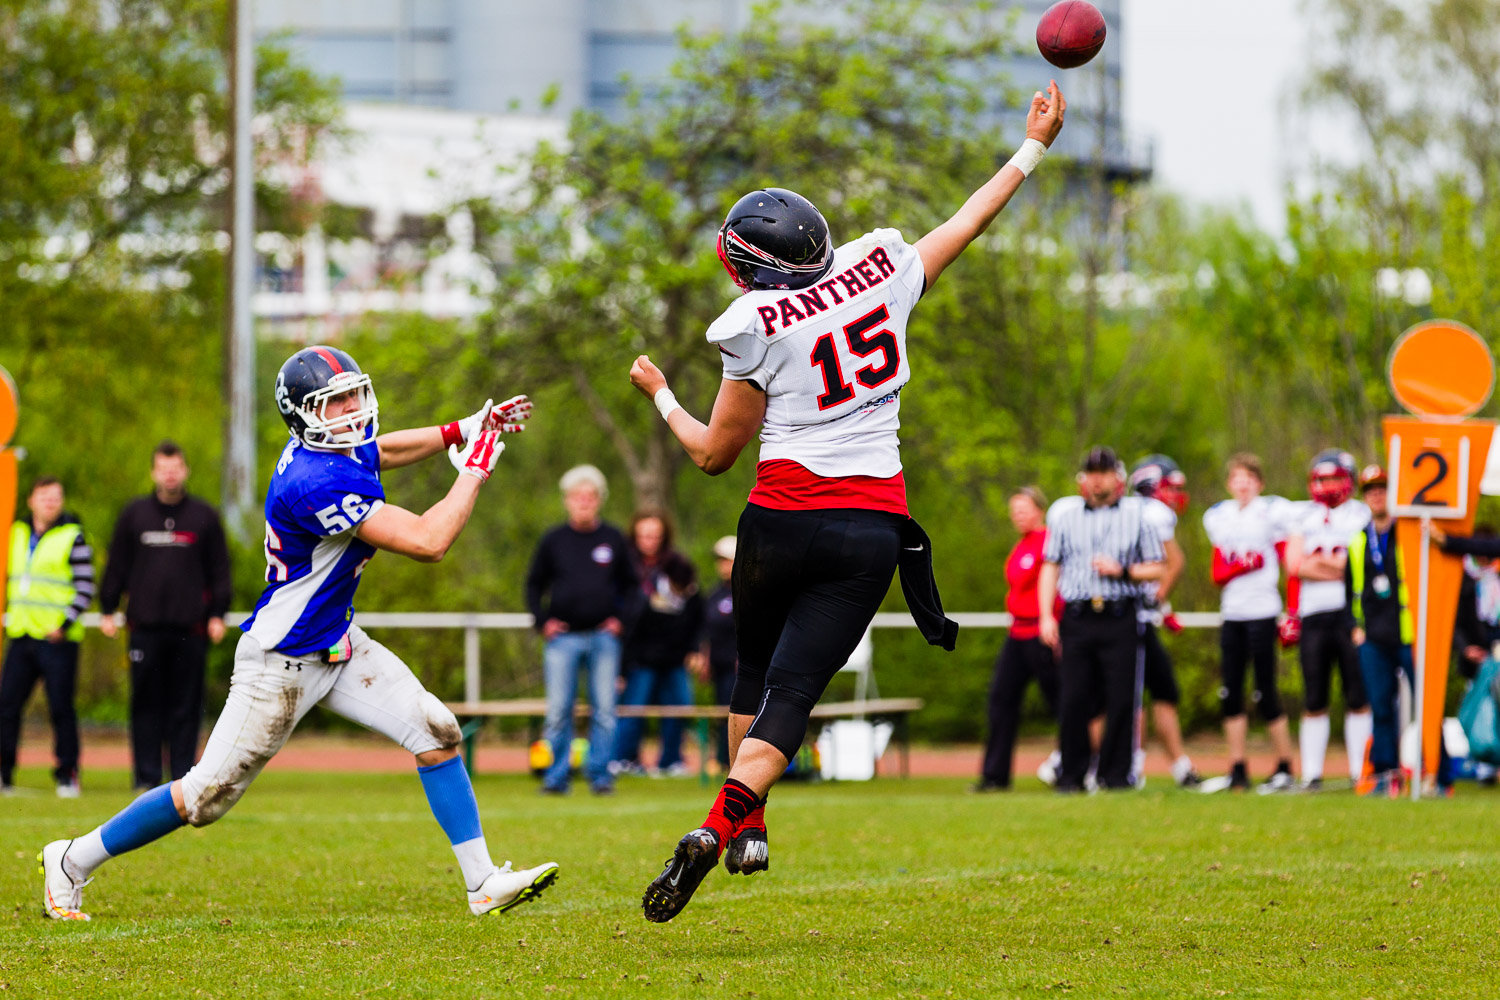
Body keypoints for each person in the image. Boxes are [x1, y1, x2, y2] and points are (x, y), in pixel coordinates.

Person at [626, 80, 1066, 922]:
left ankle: (753, 829)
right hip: (868, 528)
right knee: (793, 696)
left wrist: (659, 395)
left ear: (745, 264)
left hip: (778, 520)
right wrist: (1031, 147)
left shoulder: (754, 324)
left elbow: (715, 454)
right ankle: (726, 824)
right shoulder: (880, 270)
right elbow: (968, 221)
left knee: (752, 673)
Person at [38, 347, 557, 921]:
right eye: (335, 402)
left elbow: (381, 449)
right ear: (304, 415)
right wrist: (474, 470)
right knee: (203, 797)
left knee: (437, 732)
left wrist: (462, 427)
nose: (352, 410)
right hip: (281, 660)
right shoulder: (314, 481)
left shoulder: (331, 445)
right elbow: (428, 541)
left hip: (336, 639)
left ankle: (481, 881)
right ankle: (72, 858)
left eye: (355, 394)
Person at [98, 441, 233, 790]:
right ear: (154, 472)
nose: (170, 474)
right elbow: (117, 566)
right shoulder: (134, 515)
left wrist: (218, 613)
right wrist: (108, 608)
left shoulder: (204, 516)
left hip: (191, 630)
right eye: (163, 468)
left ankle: (183, 781)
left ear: (185, 471)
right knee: (145, 706)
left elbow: (219, 569)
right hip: (144, 630)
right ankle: (145, 779)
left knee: (186, 707)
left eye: (176, 467)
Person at [1038, 447, 1167, 792]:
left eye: (1104, 471)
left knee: (1122, 697)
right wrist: (1045, 615)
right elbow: (1050, 564)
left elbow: (1158, 565)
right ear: (1083, 478)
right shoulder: (1065, 516)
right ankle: (1071, 774)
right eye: (1092, 472)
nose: (1098, 478)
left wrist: (1122, 570)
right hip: (1078, 615)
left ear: (1117, 478)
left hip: (1119, 613)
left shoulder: (1138, 516)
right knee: (1074, 697)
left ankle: (1116, 774)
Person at [526, 464, 639, 795]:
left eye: (590, 497)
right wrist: (542, 621)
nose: (584, 502)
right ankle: (556, 777)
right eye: (577, 497)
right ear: (567, 501)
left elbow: (633, 588)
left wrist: (620, 620)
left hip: (604, 638)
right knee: (559, 711)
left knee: (604, 710)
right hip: (563, 639)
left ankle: (600, 775)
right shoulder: (553, 540)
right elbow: (533, 585)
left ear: (599, 500)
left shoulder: (613, 539)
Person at [1202, 454, 1299, 791]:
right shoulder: (1220, 517)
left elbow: (1290, 564)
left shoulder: (1271, 513)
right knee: (1231, 691)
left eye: (1249, 478)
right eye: (1237, 477)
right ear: (1229, 483)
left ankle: (1285, 764)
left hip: (1263, 610)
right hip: (1233, 613)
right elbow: (1217, 572)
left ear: (1260, 483)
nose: (1242, 484)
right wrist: (1243, 564)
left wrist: (1292, 611)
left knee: (1266, 691)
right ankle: (1237, 766)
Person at [1285, 449, 1373, 790]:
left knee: (1357, 694)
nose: (1328, 485)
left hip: (1349, 614)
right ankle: (1312, 774)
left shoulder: (1361, 514)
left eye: (1335, 478)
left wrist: (1317, 562)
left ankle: (1358, 771)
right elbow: (1295, 565)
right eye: (1322, 479)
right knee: (1314, 697)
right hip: (1313, 615)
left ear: (1348, 480)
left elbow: (1358, 566)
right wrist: (1338, 566)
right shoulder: (1302, 515)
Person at [1, 477, 93, 798]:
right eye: (44, 497)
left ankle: (67, 774)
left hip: (57, 639)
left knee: (60, 708)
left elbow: (85, 587)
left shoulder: (72, 536)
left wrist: (63, 625)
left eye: (56, 497)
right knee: (7, 706)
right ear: (31, 500)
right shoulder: (14, 533)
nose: (50, 503)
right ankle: (4, 772)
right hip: (22, 633)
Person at [976, 486, 1060, 791]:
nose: (1017, 516)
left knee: (1063, 702)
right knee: (1001, 700)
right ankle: (995, 776)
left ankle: (1074, 767)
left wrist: (1053, 624)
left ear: (1039, 510)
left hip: (1042, 632)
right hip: (1017, 632)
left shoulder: (1049, 541)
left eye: (1023, 510)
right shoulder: (1021, 544)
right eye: (1014, 512)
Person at [1346, 465, 1422, 795]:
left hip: (1409, 633)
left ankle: (1435, 772)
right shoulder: (1359, 541)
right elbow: (1349, 590)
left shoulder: (1410, 533)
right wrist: (1354, 628)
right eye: (1371, 490)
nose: (1377, 495)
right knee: (1381, 707)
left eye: (1383, 488)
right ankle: (1385, 775)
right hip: (1374, 638)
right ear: (1365, 497)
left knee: (1425, 703)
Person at [1126, 455, 1201, 788]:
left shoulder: (1132, 512)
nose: (1176, 495)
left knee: (1162, 691)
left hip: (1142, 617)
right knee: (1139, 696)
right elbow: (1174, 563)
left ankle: (1178, 767)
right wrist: (1158, 600)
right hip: (1135, 619)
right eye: (1171, 487)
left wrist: (1163, 607)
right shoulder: (1153, 513)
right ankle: (1134, 765)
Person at [612, 511, 704, 778]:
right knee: (633, 709)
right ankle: (625, 759)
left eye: (654, 535)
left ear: (663, 537)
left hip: (674, 656)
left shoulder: (679, 566)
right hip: (639, 656)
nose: (648, 541)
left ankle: (671, 761)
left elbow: (696, 610)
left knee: (679, 707)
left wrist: (695, 648)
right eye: (643, 535)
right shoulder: (625, 565)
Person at [693, 536, 739, 770]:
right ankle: (723, 759)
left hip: (740, 667)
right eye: (720, 560)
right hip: (719, 667)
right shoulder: (713, 595)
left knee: (737, 715)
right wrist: (705, 658)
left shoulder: (748, 593)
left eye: (728, 560)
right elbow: (706, 630)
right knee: (722, 714)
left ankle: (735, 761)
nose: (723, 566)